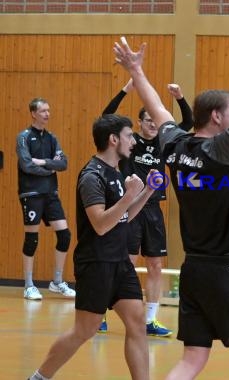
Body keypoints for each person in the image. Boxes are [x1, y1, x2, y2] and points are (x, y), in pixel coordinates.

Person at [113, 21, 229, 379]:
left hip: (195, 268)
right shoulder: (222, 150)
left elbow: (156, 109)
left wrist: (136, 70)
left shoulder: (175, 145)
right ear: (217, 116)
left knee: (193, 358)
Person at [28, 113, 157, 380]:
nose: (133, 141)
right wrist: (129, 195)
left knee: (137, 323)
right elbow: (100, 224)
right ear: (113, 139)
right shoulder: (91, 176)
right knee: (84, 330)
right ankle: (39, 377)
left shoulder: (118, 172)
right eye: (129, 135)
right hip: (96, 263)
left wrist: (146, 193)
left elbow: (123, 217)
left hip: (120, 262)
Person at [98, 80, 194, 336]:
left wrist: (181, 98)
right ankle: (101, 313)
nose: (153, 123)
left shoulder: (166, 142)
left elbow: (188, 123)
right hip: (129, 208)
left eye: (156, 120)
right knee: (123, 263)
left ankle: (150, 320)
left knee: (155, 264)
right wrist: (126, 90)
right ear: (139, 122)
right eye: (148, 119)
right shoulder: (129, 143)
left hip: (153, 209)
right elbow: (106, 116)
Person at [17, 98, 75, 300]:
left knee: (65, 235)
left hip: (51, 193)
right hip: (31, 193)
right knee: (32, 238)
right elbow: (26, 165)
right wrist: (50, 168)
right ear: (33, 113)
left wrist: (43, 162)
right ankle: (28, 285)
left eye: (48, 111)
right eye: (43, 111)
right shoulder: (23, 137)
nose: (47, 114)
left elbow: (64, 163)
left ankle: (57, 282)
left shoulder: (51, 138)